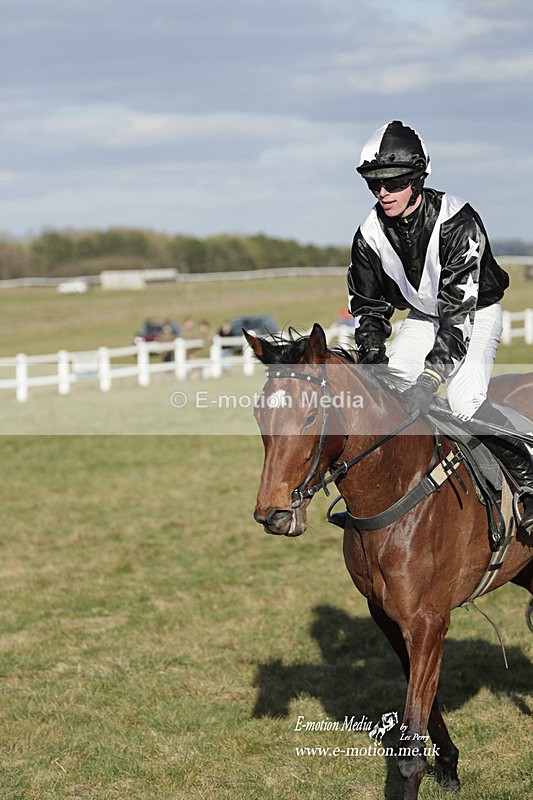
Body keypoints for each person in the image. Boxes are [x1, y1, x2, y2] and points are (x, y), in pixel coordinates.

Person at [347, 119, 533, 532]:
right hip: (424, 316)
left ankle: (528, 479)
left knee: (464, 400)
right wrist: (373, 358)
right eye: (374, 183)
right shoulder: (368, 234)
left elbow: (457, 314)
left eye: (393, 183)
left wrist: (431, 378)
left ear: (416, 179)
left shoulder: (458, 220)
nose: (382, 192)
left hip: (473, 313)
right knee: (389, 392)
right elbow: (369, 308)